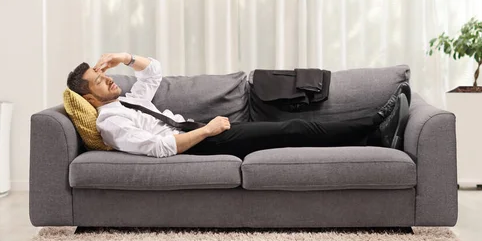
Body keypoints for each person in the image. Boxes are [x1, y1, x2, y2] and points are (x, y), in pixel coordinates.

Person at [66, 52, 411, 159]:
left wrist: (123, 58)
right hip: (199, 143)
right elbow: (159, 146)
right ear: (89, 99)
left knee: (296, 128)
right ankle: (376, 122)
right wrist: (208, 130)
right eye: (100, 80)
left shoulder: (127, 100)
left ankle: (372, 134)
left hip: (201, 130)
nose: (109, 79)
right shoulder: (109, 122)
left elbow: (153, 71)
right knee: (294, 129)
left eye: (104, 73)